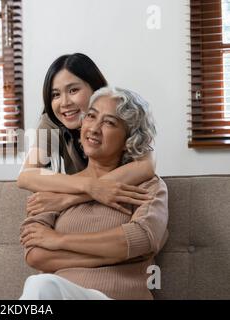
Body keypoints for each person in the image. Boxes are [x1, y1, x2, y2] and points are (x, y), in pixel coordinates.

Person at [19, 87, 169, 300]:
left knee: (41, 286)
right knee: (41, 286)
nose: (94, 128)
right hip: (60, 293)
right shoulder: (55, 187)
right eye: (91, 116)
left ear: (129, 139)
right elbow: (35, 254)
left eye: (109, 122)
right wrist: (116, 256)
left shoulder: (147, 185)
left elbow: (141, 239)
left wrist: (59, 240)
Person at [17, 53, 156, 216]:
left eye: (73, 90)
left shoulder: (122, 109)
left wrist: (68, 200)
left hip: (118, 207)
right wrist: (89, 186)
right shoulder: (51, 122)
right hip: (80, 212)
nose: (64, 103)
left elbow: (146, 166)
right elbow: (27, 176)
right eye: (55, 94)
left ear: (96, 88)